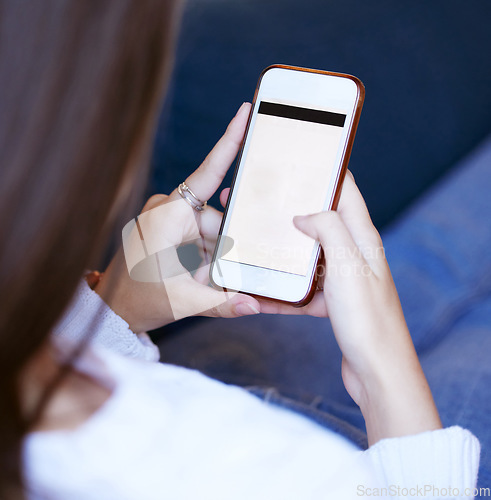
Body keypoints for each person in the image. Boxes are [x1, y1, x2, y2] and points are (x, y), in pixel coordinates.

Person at [0, 1, 483, 498]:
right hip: (401, 466)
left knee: (436, 252)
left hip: (189, 377)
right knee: (445, 253)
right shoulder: (241, 467)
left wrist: (111, 313)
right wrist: (385, 368)